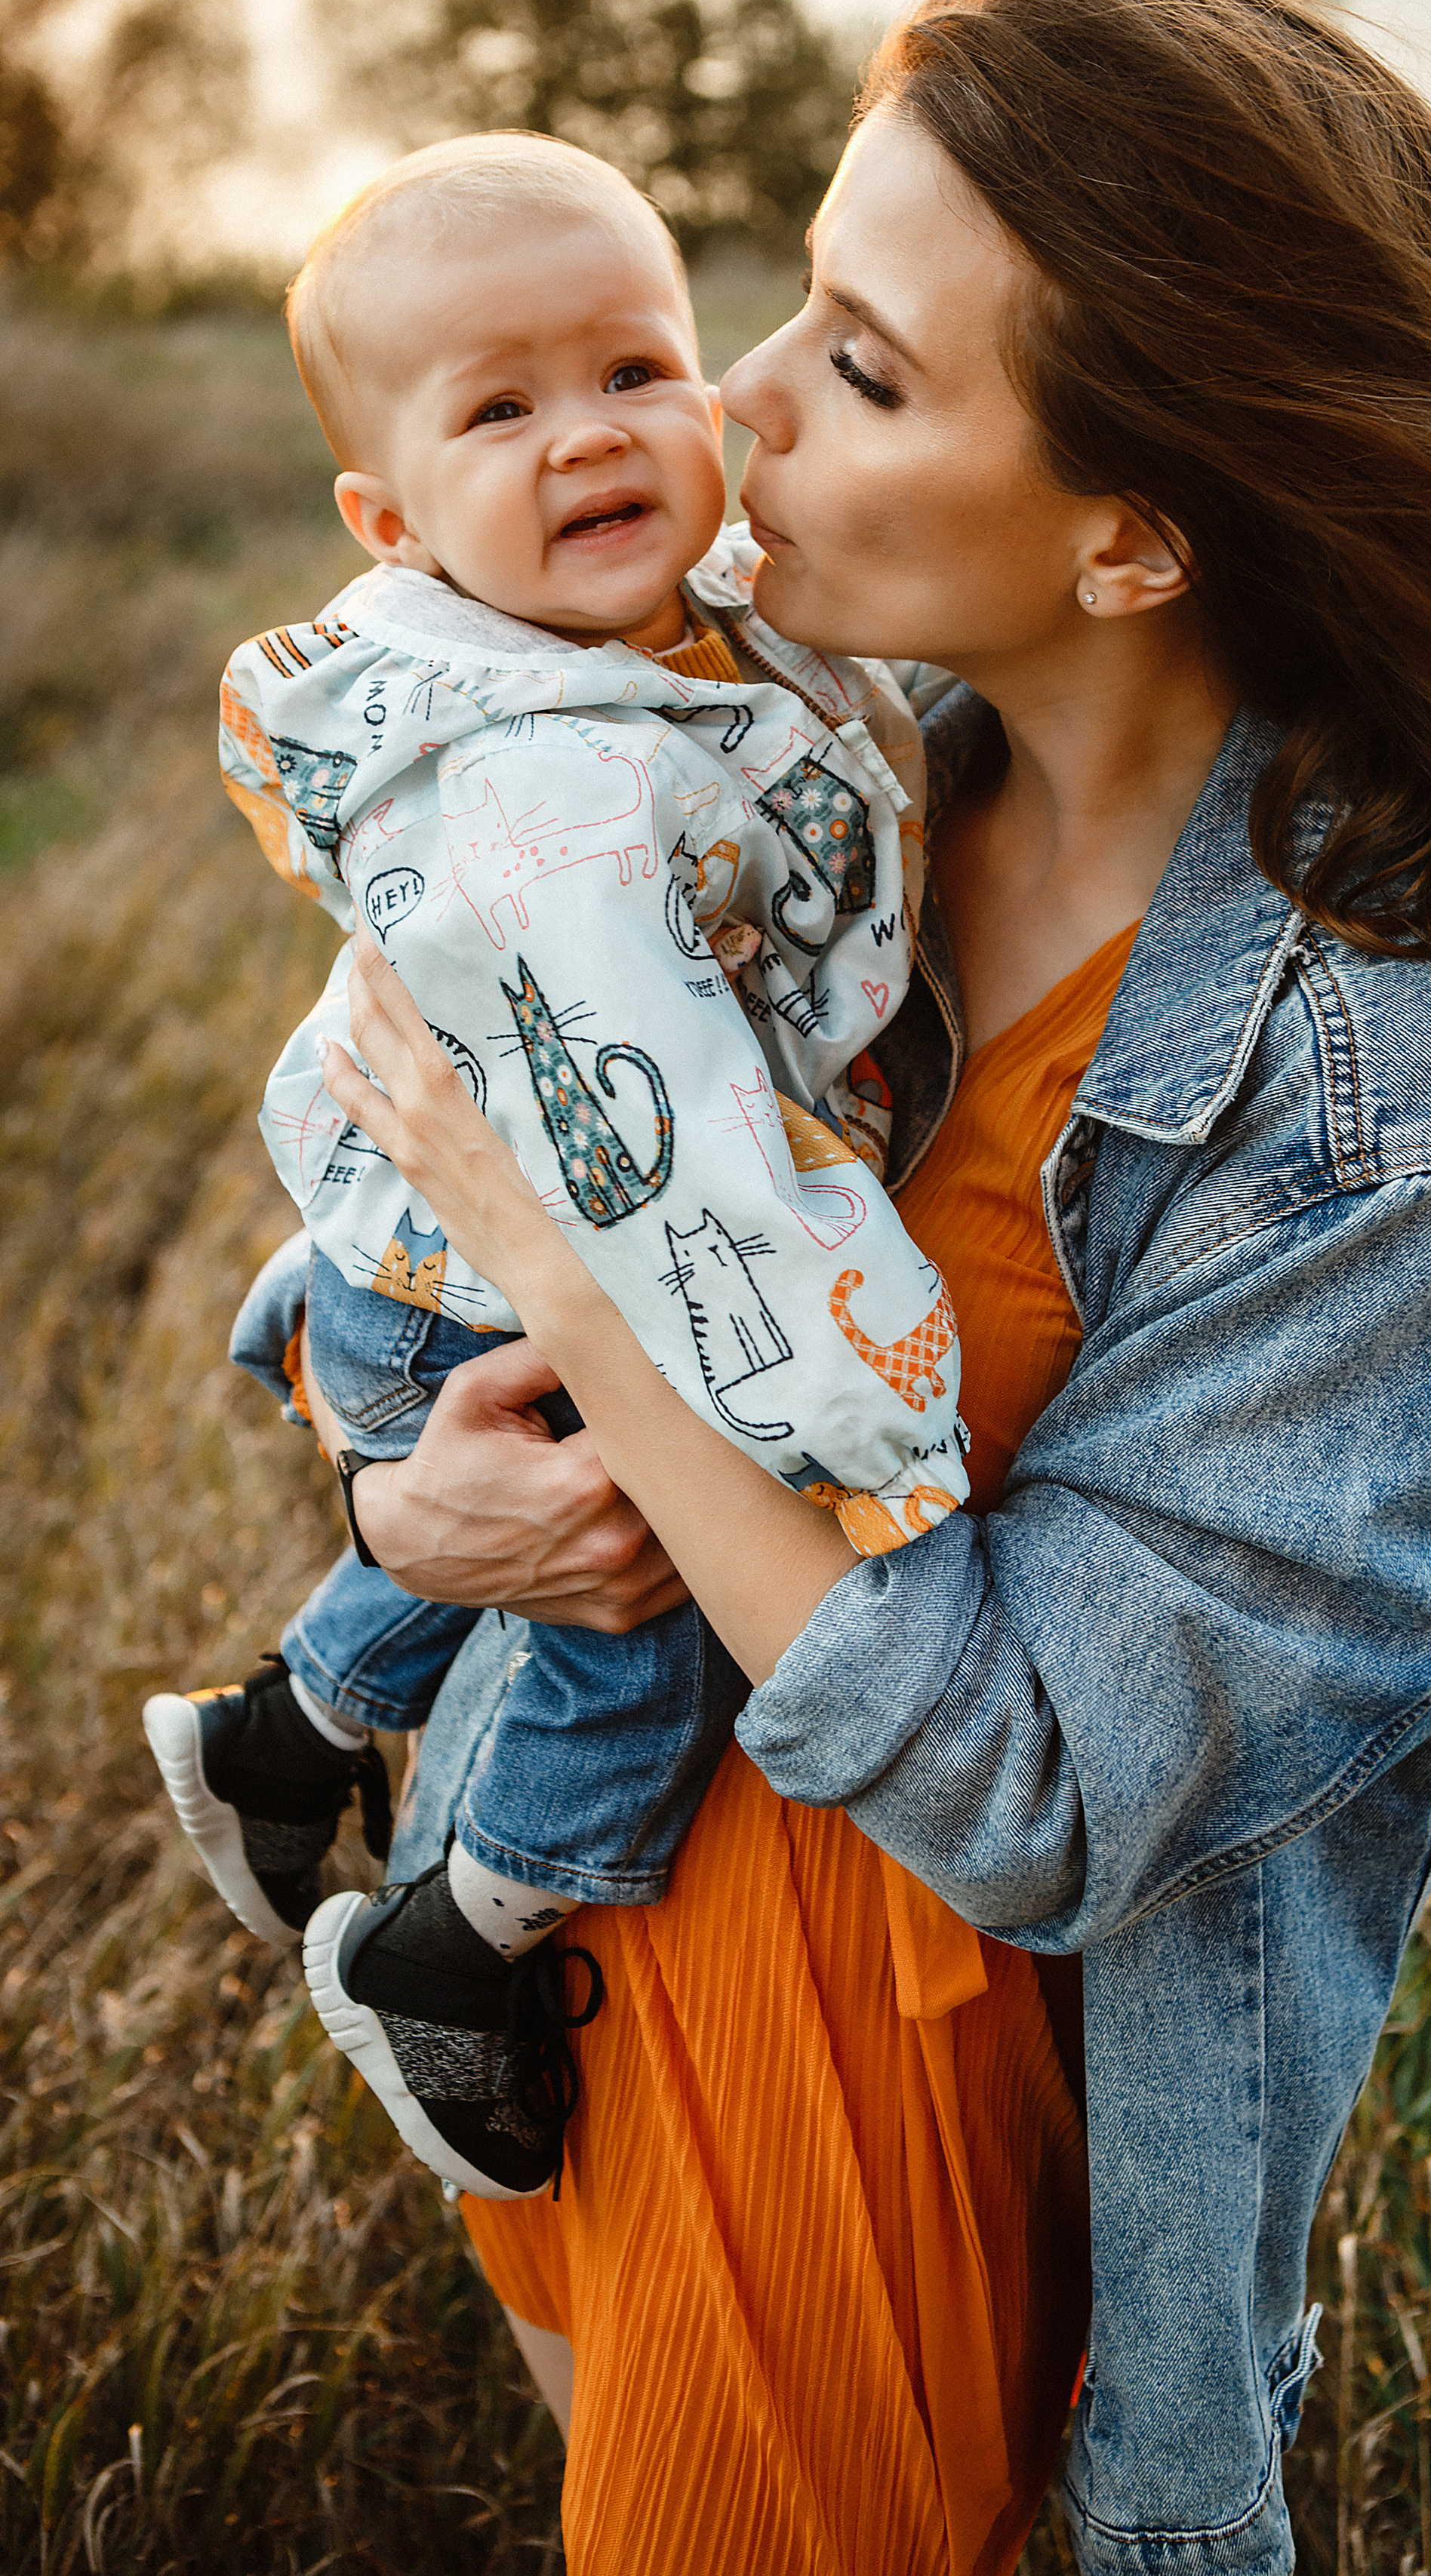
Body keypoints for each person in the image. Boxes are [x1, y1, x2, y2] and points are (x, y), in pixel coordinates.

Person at [273, 0, 1431, 2572]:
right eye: (787, 298)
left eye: (870, 372)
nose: (738, 404)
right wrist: (395, 1508)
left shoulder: (1364, 1134)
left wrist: (584, 1320)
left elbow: (1032, 1786)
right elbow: (397, 1246)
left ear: (1136, 533)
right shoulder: (800, 794)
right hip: (576, 1985)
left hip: (886, 2145)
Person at [144, 131, 969, 2204]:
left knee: (524, 1528)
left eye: (629, 369)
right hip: (487, 1275)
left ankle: (281, 1743)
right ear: (391, 519)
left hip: (432, 1264)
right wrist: (857, 1409)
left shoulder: (673, 634)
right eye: (500, 410)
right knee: (657, 1606)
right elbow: (671, 1161)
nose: (587, 437)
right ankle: (461, 1947)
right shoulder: (545, 789)